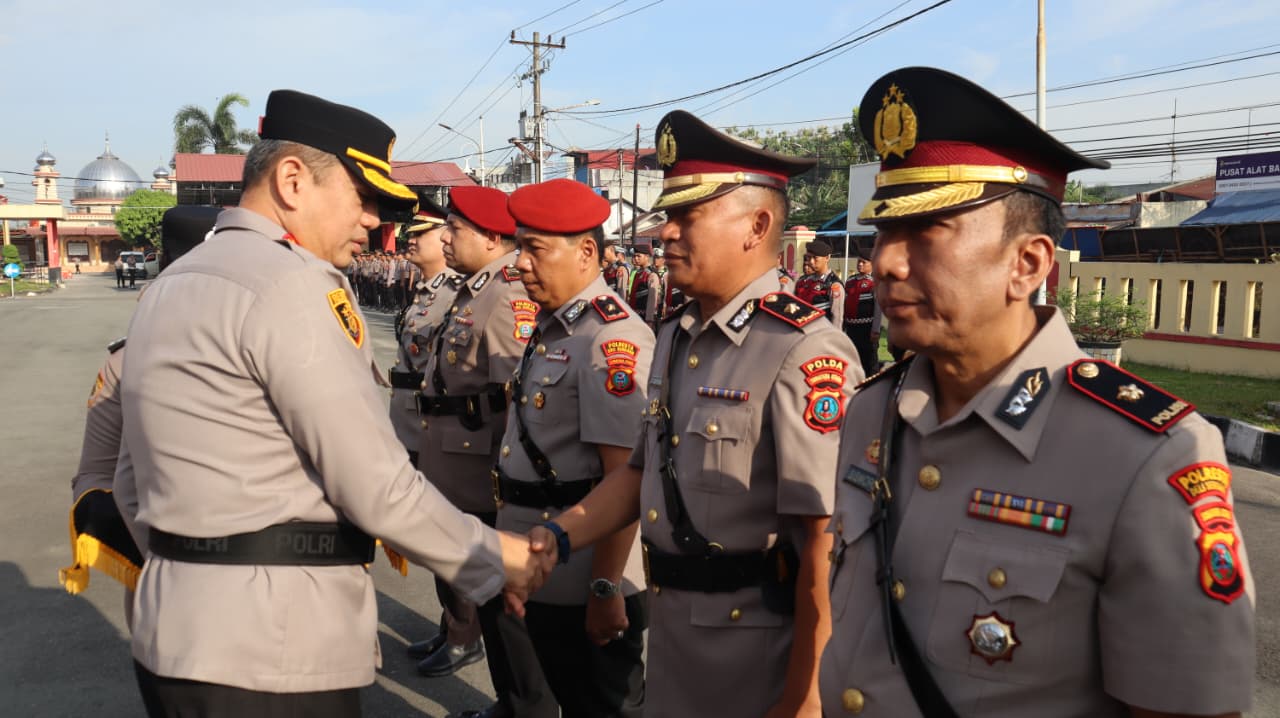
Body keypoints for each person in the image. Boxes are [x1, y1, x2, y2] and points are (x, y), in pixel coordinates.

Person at [819, 66, 1254, 718]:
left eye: (925, 232)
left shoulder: (1148, 455)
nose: (884, 261)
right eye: (884, 231)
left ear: (1028, 265)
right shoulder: (872, 410)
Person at [113, 89, 546, 718]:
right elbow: (372, 481)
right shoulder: (291, 285)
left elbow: (131, 478)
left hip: (173, 637)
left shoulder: (170, 285)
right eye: (362, 197)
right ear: (292, 180)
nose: (374, 220)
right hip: (275, 649)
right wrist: (498, 558)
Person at [524, 109, 862, 717]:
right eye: (668, 216)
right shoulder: (680, 337)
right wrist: (555, 537)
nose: (667, 233)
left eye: (688, 216)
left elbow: (825, 540)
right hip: (678, 639)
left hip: (754, 657)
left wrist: (806, 699)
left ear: (757, 226)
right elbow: (638, 473)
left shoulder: (802, 349)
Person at [498, 178, 651, 717]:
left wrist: (606, 587)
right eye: (518, 246)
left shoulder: (609, 339)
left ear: (587, 251)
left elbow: (625, 479)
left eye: (534, 248)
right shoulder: (554, 328)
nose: (519, 262)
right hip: (543, 565)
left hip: (586, 575)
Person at [420, 185, 556, 718]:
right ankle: (510, 700)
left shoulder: (505, 297)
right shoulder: (475, 290)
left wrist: (509, 484)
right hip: (457, 464)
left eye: (456, 229)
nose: (445, 238)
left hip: (483, 475)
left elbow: (514, 402)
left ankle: (527, 706)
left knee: (505, 606)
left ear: (492, 237)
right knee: (488, 599)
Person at [59, 206, 221, 627]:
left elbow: (92, 478)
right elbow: (97, 479)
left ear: (161, 261)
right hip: (186, 586)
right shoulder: (127, 359)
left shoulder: (127, 358)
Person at [842, 253, 881, 376]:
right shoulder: (850, 281)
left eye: (864, 262)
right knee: (852, 359)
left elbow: (878, 308)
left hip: (867, 328)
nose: (860, 264)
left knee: (869, 361)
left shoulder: (874, 282)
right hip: (851, 328)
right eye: (859, 261)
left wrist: (875, 329)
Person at [794, 239, 843, 324]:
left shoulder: (833, 284)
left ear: (827, 258)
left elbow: (837, 317)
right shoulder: (806, 281)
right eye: (809, 257)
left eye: (815, 258)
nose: (811, 262)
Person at [625, 244, 663, 329]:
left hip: (645, 318)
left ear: (647, 257)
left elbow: (652, 299)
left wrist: (649, 320)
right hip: (635, 317)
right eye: (634, 256)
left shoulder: (651, 274)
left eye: (639, 256)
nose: (636, 258)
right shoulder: (639, 273)